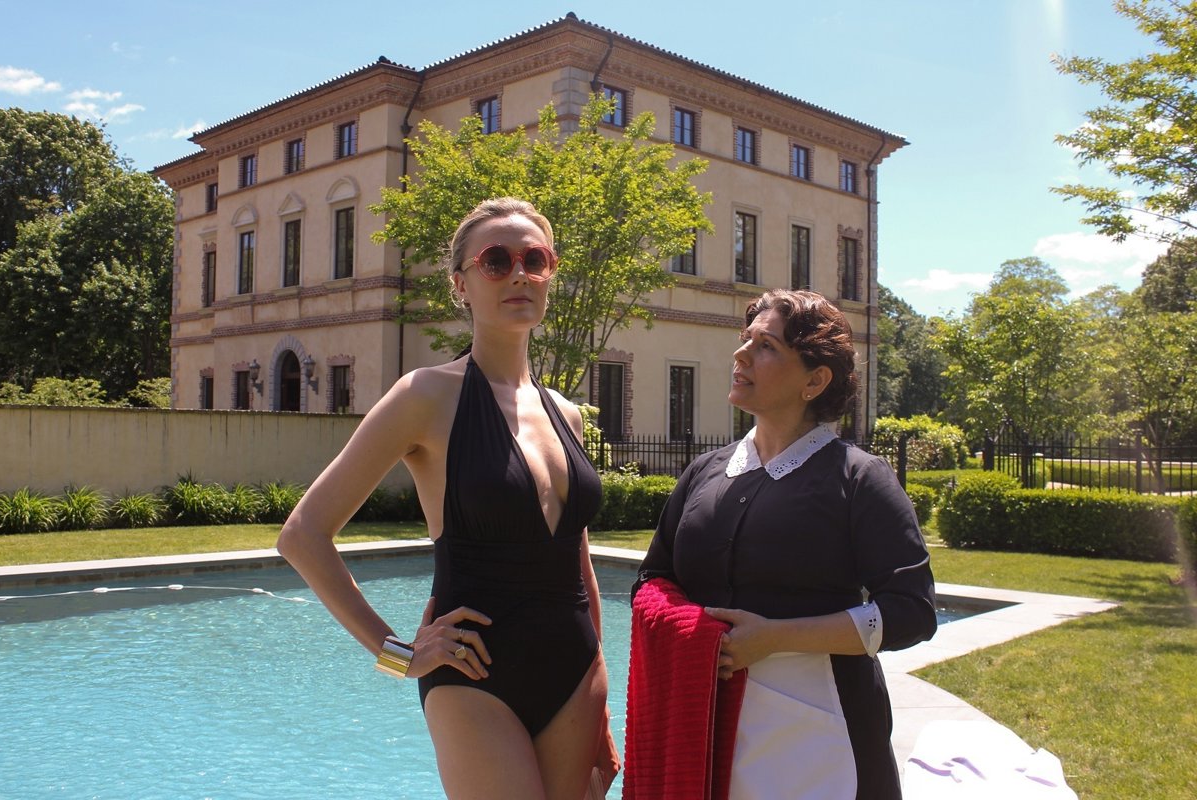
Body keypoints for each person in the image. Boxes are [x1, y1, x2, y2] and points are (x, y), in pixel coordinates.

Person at [278, 198, 613, 800]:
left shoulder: (566, 412)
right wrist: (397, 654)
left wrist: (601, 691)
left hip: (576, 674)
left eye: (535, 260)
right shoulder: (425, 396)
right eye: (496, 261)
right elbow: (302, 535)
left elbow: (578, 561)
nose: (518, 274)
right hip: (472, 675)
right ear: (461, 284)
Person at [634, 288, 937, 799]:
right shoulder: (704, 472)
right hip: (707, 728)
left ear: (815, 381)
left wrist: (777, 636)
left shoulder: (859, 479)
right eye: (745, 338)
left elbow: (912, 612)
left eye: (767, 346)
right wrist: (692, 634)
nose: (741, 354)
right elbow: (654, 579)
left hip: (823, 740)